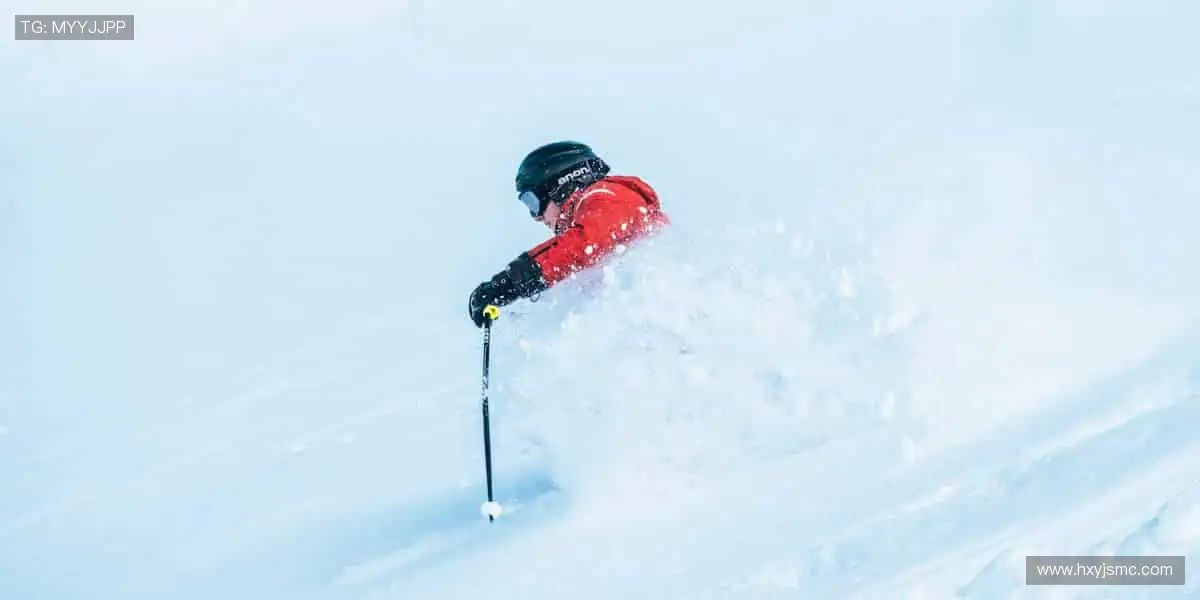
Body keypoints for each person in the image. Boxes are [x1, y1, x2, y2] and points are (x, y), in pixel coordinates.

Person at [467, 141, 670, 327]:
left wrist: (511, 282)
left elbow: (584, 243)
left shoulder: (608, 196)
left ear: (560, 185)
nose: (536, 217)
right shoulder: (587, 244)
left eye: (533, 202)